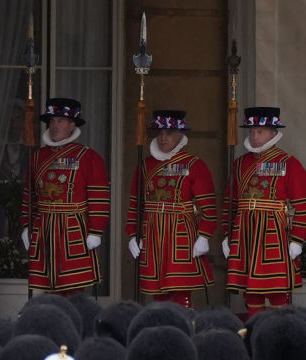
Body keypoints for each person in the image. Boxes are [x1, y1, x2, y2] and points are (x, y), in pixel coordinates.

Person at [126, 110, 216, 308]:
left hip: (180, 233)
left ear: (179, 135)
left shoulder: (194, 164)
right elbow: (136, 204)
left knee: (180, 291)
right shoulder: (145, 165)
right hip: (152, 232)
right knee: (158, 294)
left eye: (168, 133)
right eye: (159, 133)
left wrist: (204, 236)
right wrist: (133, 234)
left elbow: (208, 205)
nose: (163, 137)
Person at [223, 106, 306, 316]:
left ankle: (281, 337)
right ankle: (255, 333)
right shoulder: (239, 164)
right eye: (251, 131)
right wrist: (227, 234)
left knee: (278, 292)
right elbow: (229, 204)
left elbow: (303, 205)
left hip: (274, 234)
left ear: (273, 132)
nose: (254, 136)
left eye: (260, 132)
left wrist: (298, 239)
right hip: (245, 234)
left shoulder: (289, 163)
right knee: (251, 293)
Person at [22, 97, 109, 296]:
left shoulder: (89, 157)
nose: (54, 126)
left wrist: (96, 230)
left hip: (74, 229)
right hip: (44, 227)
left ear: (72, 125)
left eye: (60, 121)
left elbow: (99, 197)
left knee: (74, 287)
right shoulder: (37, 157)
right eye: (51, 121)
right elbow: (29, 196)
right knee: (47, 287)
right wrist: (26, 225)